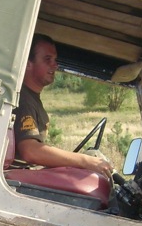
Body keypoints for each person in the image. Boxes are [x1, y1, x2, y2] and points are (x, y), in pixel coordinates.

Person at [13, 34, 114, 181]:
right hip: (17, 179)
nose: (55, 65)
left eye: (55, 60)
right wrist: (84, 161)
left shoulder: (31, 98)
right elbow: (30, 151)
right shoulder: (23, 99)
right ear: (28, 63)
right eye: (47, 60)